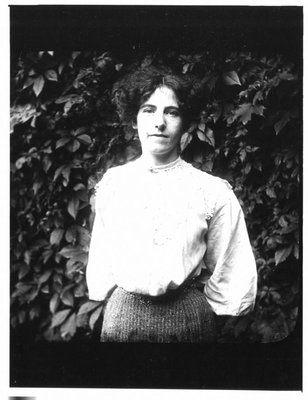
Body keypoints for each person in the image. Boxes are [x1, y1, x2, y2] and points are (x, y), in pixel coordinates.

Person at [86, 66, 257, 342]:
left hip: (189, 322)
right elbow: (103, 259)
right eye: (148, 110)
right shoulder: (114, 185)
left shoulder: (210, 190)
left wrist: (211, 307)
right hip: (123, 320)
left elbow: (232, 263)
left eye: (172, 112)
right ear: (134, 119)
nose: (159, 122)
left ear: (185, 122)